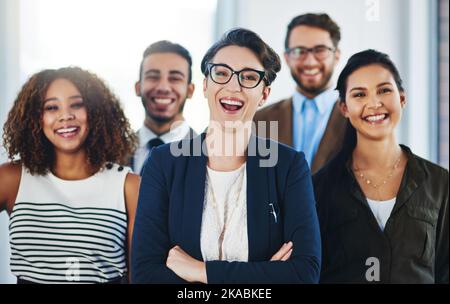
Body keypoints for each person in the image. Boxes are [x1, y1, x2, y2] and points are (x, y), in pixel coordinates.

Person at [131, 28, 321, 284]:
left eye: (249, 77)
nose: (233, 86)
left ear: (264, 94)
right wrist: (263, 277)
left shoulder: (288, 167)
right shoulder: (164, 163)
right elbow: (146, 274)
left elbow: (303, 274)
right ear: (206, 85)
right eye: (221, 73)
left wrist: (201, 272)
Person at [314, 49, 449, 283]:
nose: (374, 103)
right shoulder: (319, 188)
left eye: (384, 90)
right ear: (344, 108)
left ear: (402, 98)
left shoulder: (440, 183)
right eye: (359, 95)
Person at [0, 67, 140, 283]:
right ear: (35, 117)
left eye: (77, 104)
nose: (66, 115)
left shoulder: (128, 186)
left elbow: (137, 276)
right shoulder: (12, 178)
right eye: (52, 107)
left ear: (96, 111)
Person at [254, 13, 346, 174]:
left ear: (336, 55)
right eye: (299, 51)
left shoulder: (356, 119)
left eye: (320, 50)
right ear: (287, 58)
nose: (310, 61)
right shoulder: (260, 120)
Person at [131, 40, 197, 174]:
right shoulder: (112, 152)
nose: (163, 87)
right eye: (153, 77)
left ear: (190, 91)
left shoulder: (208, 155)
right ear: (138, 88)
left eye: (175, 78)